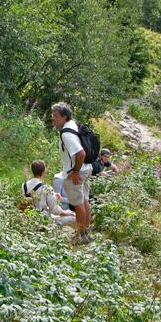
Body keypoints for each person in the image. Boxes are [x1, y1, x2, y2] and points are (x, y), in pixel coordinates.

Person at [51, 102, 92, 244]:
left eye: (55, 116)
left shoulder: (66, 134)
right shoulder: (74, 124)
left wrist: (74, 171)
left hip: (77, 172)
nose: (53, 118)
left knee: (78, 204)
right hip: (87, 169)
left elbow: (81, 153)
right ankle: (86, 232)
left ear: (64, 117)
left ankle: (79, 236)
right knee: (85, 201)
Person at [23, 160, 76, 227]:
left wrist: (54, 197)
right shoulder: (47, 188)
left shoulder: (24, 186)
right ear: (43, 172)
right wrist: (67, 213)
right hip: (44, 221)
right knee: (74, 218)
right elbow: (55, 210)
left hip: (29, 219)